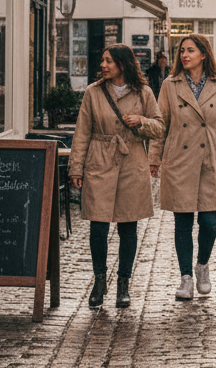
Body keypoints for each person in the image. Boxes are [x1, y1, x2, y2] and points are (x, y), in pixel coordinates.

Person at [149, 34, 216, 301]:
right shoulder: (170, 85)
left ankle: (202, 265)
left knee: (209, 222)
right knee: (182, 222)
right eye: (182, 51)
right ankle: (186, 277)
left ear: (204, 54)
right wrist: (154, 158)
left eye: (190, 51)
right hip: (179, 160)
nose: (184, 55)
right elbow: (161, 125)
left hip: (210, 159)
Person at [69, 44, 165, 309]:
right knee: (98, 227)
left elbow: (159, 127)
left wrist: (141, 122)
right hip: (99, 162)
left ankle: (124, 283)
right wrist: (76, 168)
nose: (103, 65)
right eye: (102, 60)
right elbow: (82, 132)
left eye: (108, 61)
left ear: (122, 64)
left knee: (127, 227)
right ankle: (100, 281)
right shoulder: (93, 92)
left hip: (131, 162)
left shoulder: (144, 92)